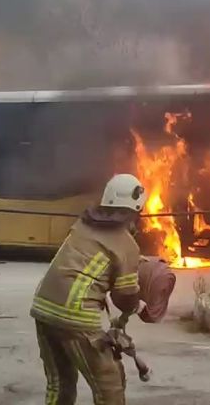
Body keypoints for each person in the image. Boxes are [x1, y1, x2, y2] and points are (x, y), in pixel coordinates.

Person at [30, 173, 146, 405]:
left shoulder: (82, 225)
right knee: (109, 386)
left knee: (59, 383)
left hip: (43, 307)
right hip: (76, 317)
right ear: (135, 209)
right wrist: (137, 303)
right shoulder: (126, 244)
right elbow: (123, 297)